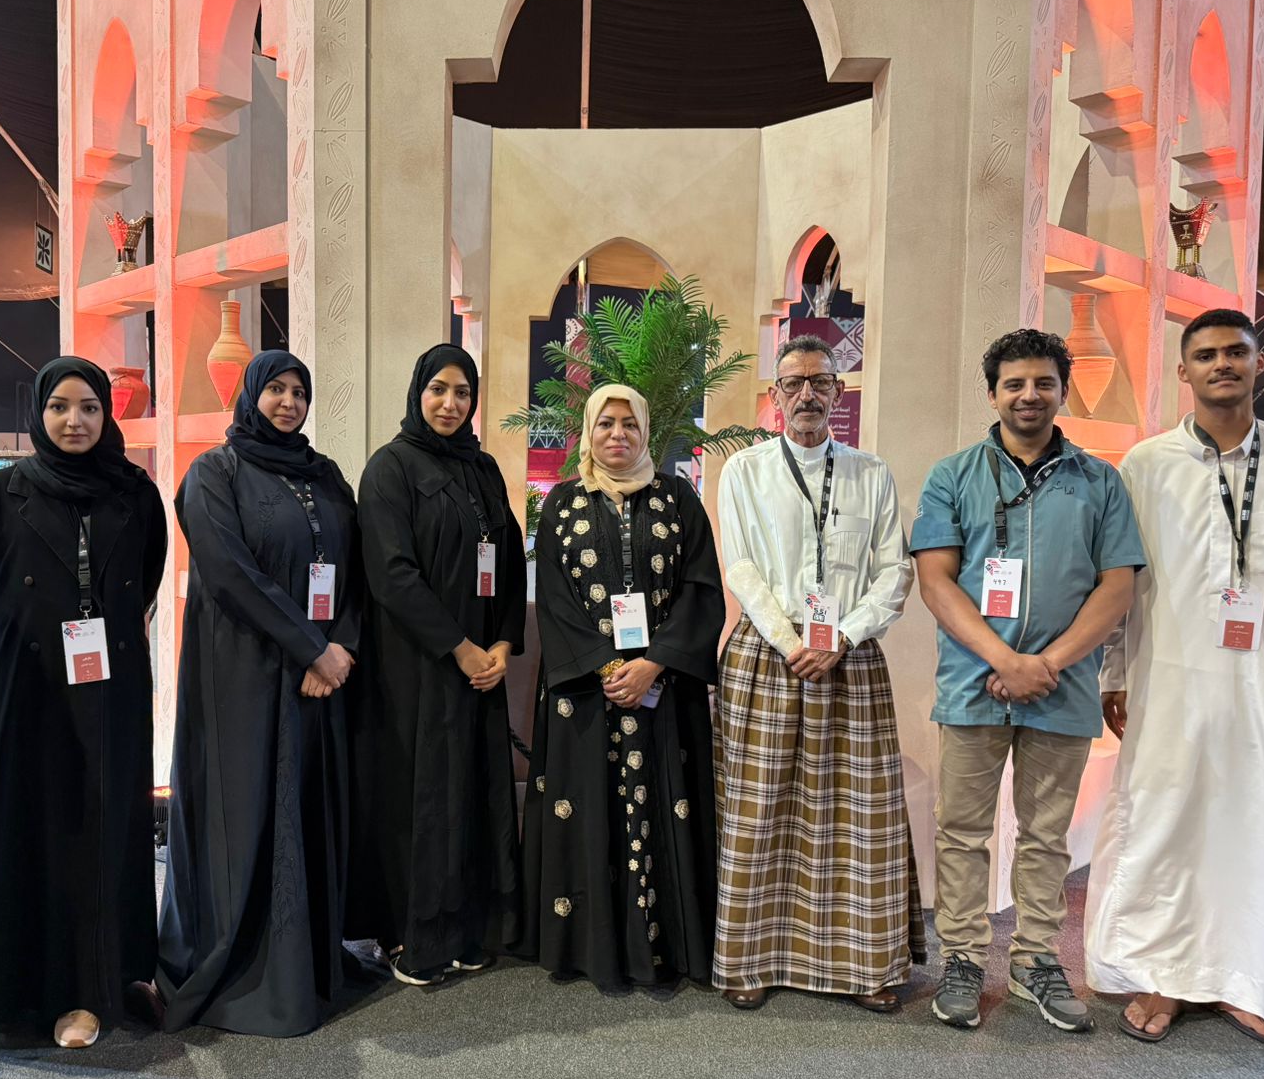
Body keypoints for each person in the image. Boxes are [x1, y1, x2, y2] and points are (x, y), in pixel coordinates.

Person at [1087, 309, 1264, 1045]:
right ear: (1182, 371)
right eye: (1207, 354)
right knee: (1168, 821)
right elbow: (1122, 580)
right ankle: (1164, 976)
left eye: (1236, 352)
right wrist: (1114, 670)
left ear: (1259, 363)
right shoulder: (1146, 464)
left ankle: (1253, 981)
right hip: (1170, 677)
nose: (1223, 364)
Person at [910, 328, 1143, 1033]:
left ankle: (1037, 959)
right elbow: (936, 581)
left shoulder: (1099, 482)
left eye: (1043, 383)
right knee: (962, 831)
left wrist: (1048, 664)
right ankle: (962, 958)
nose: (1029, 395)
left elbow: (1117, 586)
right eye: (1014, 383)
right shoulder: (953, 475)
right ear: (993, 394)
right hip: (972, 684)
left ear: (1062, 392)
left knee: (1046, 835)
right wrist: (1003, 660)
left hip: (1063, 688)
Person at [0, 356, 168, 1049]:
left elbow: (148, 575)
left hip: (114, 682)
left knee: (108, 821)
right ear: (38, 413)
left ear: (106, 415)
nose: (74, 421)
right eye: (59, 407)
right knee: (36, 822)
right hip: (31, 688)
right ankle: (35, 990)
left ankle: (107, 979)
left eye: (89, 408)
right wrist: (16, 648)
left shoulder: (134, 492)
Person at [713, 335, 922, 1013]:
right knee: (759, 811)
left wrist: (844, 636)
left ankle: (867, 967)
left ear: (839, 392)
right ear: (775, 395)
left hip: (850, 659)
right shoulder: (745, 470)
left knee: (859, 817)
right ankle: (747, 960)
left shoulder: (871, 473)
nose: (807, 394)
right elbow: (741, 566)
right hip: (769, 656)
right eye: (794, 383)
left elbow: (895, 571)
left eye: (820, 382)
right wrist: (791, 640)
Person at [158, 351, 361, 1037]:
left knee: (305, 806)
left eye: (300, 391)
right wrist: (312, 646)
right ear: (251, 395)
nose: (289, 402)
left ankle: (307, 963)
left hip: (319, 677)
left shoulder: (324, 475)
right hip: (242, 674)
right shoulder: (213, 473)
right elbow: (230, 573)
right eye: (276, 389)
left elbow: (355, 570)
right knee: (246, 812)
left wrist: (341, 647)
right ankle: (246, 970)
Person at [516, 384, 723, 991]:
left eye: (630, 424)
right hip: (585, 693)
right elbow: (554, 596)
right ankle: (591, 945)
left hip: (664, 689)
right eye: (605, 423)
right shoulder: (563, 503)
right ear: (589, 430)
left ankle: (669, 945)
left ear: (646, 432)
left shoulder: (677, 498)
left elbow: (700, 588)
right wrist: (608, 668)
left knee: (666, 799)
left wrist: (653, 664)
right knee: (587, 804)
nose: (617, 434)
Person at [346, 344, 526, 985]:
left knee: (473, 792)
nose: (450, 404)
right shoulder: (390, 468)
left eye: (462, 393)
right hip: (416, 665)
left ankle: (467, 928)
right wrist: (460, 646)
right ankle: (408, 934)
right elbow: (392, 574)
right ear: (418, 392)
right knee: (419, 795)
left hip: (481, 666)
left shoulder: (482, 467)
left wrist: (503, 644)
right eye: (438, 390)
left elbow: (510, 557)